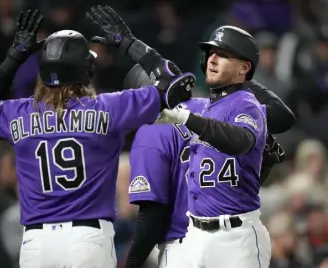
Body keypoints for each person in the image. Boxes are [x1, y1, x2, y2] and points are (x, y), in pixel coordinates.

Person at [0, 9, 196, 268]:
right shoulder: (109, 107)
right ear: (87, 70)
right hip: (87, 239)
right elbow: (175, 84)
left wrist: (16, 54)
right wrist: (128, 43)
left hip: (36, 244)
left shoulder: (17, 113)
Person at [86, 5, 289, 267]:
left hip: (191, 242)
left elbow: (152, 213)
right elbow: (282, 118)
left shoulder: (158, 128)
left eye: (223, 55)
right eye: (212, 54)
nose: (212, 60)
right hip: (199, 234)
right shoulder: (209, 107)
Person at [122, 64, 293, 268]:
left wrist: (130, 264)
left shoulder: (151, 131)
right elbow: (282, 117)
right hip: (234, 238)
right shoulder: (217, 107)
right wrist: (237, 72)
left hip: (182, 248)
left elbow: (153, 214)